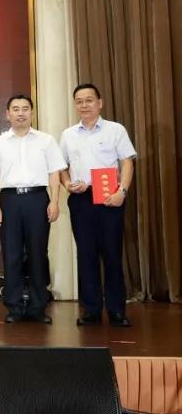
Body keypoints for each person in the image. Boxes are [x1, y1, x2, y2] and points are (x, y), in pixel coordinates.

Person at [0, 94, 66, 324]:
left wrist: (54, 201)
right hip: (9, 200)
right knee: (12, 254)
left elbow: (54, 173)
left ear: (32, 112)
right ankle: (14, 307)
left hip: (38, 198)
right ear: (7, 114)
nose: (21, 113)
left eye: (25, 108)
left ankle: (38, 307)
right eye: (16, 109)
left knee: (38, 253)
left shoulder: (46, 141)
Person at [59, 84, 136, 327]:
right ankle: (91, 310)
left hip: (110, 197)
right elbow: (62, 167)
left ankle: (116, 310)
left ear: (99, 103)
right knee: (86, 255)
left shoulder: (115, 130)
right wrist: (68, 184)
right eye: (79, 101)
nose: (84, 105)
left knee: (112, 254)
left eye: (89, 100)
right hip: (81, 199)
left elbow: (127, 162)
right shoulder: (68, 134)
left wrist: (122, 191)